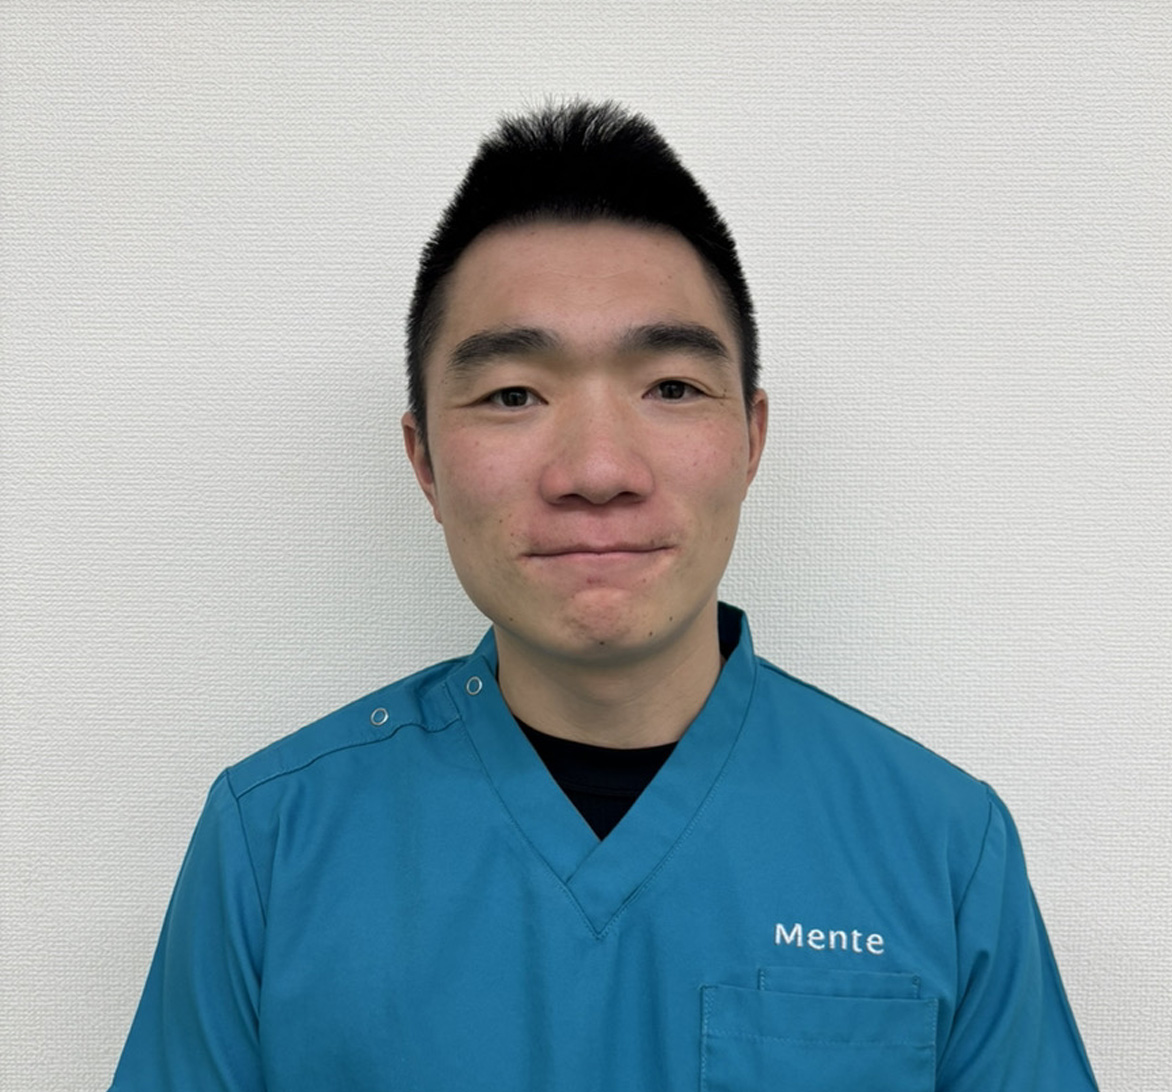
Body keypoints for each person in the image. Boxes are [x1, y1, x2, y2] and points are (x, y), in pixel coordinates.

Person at [109, 100, 1098, 1091]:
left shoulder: (942, 849)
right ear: (424, 461)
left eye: (671, 387)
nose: (596, 470)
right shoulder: (274, 844)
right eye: (513, 395)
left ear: (751, 440)